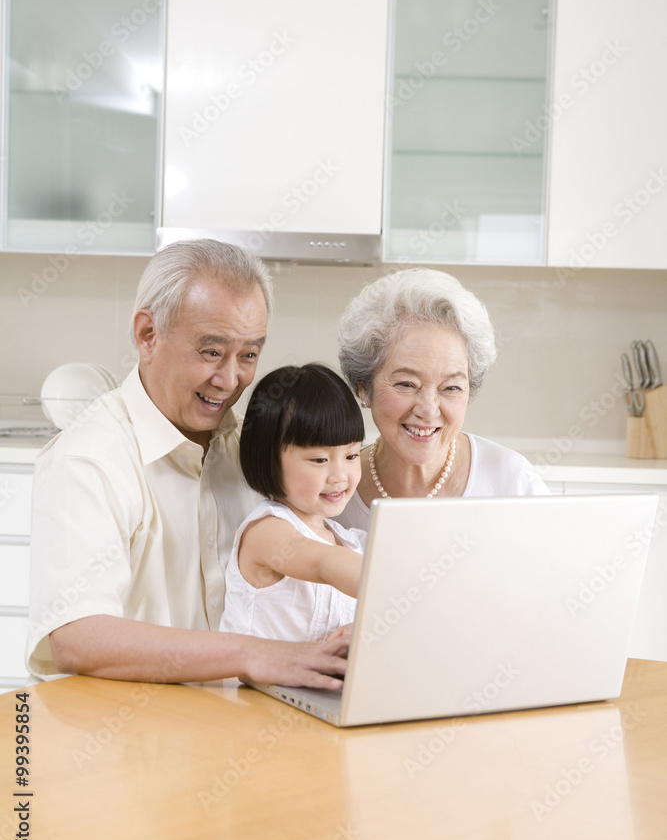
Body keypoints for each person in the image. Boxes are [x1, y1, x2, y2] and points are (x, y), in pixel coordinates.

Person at [26, 239, 349, 689]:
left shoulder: (253, 448)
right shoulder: (89, 461)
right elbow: (76, 637)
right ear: (147, 335)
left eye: (249, 355)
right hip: (136, 740)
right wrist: (252, 654)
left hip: (244, 730)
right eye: (211, 352)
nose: (230, 379)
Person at [336, 267, 548, 531]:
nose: (428, 409)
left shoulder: (510, 481)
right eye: (406, 384)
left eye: (450, 388)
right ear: (364, 387)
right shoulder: (332, 490)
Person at [220, 363, 366, 642]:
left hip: (313, 684)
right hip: (251, 685)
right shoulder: (267, 531)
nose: (340, 476)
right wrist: (391, 589)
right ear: (269, 459)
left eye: (352, 456)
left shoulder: (350, 543)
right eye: (319, 460)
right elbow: (323, 563)